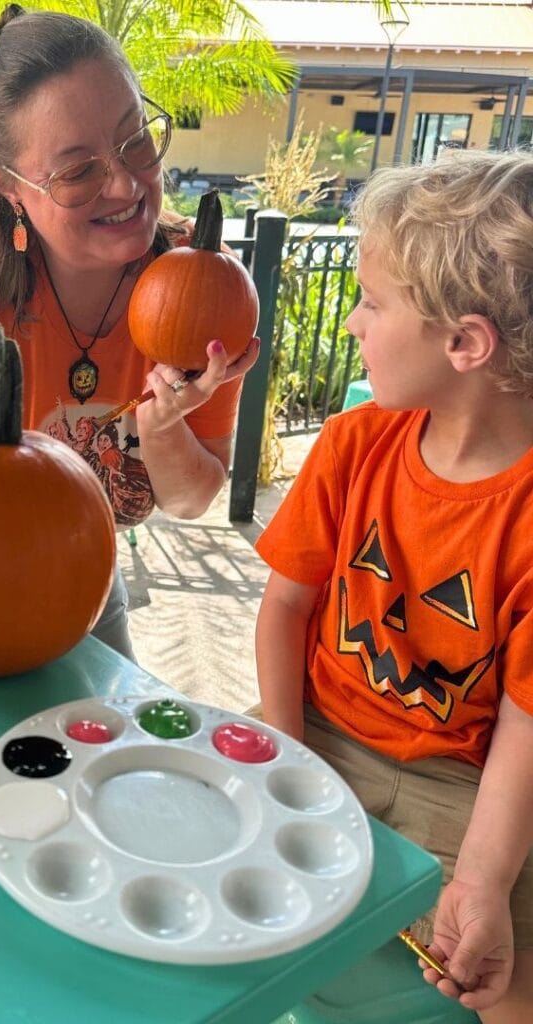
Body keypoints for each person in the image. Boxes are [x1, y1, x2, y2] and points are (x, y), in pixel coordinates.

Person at [0, 4, 258, 659]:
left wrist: (167, 422)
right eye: (78, 170)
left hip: (73, 560)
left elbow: (191, 498)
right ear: (7, 188)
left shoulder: (205, 290)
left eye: (135, 140)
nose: (126, 183)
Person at [253, 150, 533, 1021]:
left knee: (490, 971)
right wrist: (285, 755)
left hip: (462, 781)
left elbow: (526, 717)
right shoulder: (351, 446)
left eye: (372, 303)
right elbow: (286, 606)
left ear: (464, 343)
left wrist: (484, 880)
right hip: (322, 733)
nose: (350, 324)